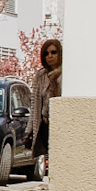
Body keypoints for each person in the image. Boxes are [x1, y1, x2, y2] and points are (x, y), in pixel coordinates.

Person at [30, 37, 62, 180]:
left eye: (53, 52)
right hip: (45, 123)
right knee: (49, 155)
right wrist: (29, 129)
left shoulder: (65, 74)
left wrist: (56, 78)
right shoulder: (41, 75)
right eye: (46, 53)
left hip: (61, 124)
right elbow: (35, 102)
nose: (50, 56)